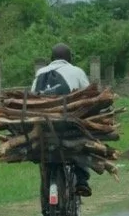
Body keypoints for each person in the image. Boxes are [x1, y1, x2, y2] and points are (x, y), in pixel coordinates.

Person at [30, 43, 94, 197]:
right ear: (69, 58)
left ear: (51, 59)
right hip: (68, 124)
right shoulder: (76, 71)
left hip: (43, 124)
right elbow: (89, 96)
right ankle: (81, 180)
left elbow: (32, 96)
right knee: (83, 141)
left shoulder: (40, 72)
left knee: (43, 149)